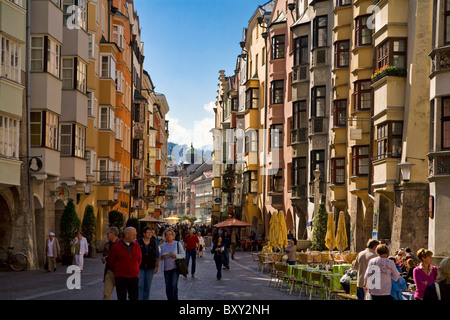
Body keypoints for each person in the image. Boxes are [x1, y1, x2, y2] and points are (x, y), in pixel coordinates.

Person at [108, 227, 142, 300]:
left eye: (135, 235)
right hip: (121, 276)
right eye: (133, 235)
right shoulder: (116, 247)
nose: (135, 237)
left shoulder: (137, 246)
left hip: (133, 276)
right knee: (121, 297)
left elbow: (139, 259)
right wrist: (119, 270)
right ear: (126, 235)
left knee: (134, 297)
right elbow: (111, 262)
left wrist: (134, 268)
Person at [160, 229, 185, 300]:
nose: (168, 236)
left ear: (173, 236)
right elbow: (161, 256)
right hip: (166, 268)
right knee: (168, 287)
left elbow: (183, 254)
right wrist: (162, 256)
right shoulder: (163, 245)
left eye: (169, 234)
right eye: (166, 235)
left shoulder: (177, 244)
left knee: (173, 285)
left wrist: (176, 256)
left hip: (175, 268)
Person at [137, 227, 160, 300]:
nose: (150, 234)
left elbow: (157, 255)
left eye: (151, 232)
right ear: (144, 234)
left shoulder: (154, 243)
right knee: (140, 286)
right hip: (140, 267)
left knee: (147, 287)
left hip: (150, 267)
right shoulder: (138, 242)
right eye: (148, 232)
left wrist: (156, 266)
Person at [102, 226, 119, 300]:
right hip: (109, 271)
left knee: (121, 294)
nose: (106, 234)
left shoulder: (121, 244)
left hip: (119, 272)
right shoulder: (107, 245)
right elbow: (104, 255)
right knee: (106, 294)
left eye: (108, 233)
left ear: (113, 234)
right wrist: (104, 258)